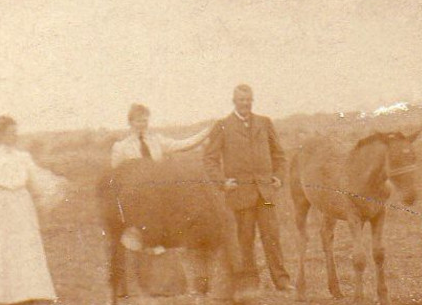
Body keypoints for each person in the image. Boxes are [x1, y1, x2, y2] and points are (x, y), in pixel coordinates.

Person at [203, 84, 291, 290]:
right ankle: (251, 281)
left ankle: (282, 280)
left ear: (253, 100)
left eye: (249, 100)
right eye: (241, 100)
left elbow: (279, 155)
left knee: (272, 236)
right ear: (234, 101)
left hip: (265, 192)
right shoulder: (222, 125)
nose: (245, 104)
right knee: (245, 239)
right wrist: (222, 182)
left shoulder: (264, 123)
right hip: (239, 194)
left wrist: (278, 176)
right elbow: (210, 159)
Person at [0, 115, 64, 305]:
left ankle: (30, 291)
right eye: (9, 133)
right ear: (0, 134)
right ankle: (2, 295)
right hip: (0, 203)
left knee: (25, 244)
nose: (13, 137)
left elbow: (35, 179)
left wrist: (55, 184)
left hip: (22, 204)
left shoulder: (23, 157)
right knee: (2, 246)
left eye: (15, 133)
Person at [109, 103, 210, 168]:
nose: (142, 124)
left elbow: (183, 144)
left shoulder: (156, 140)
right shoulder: (120, 147)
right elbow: (116, 177)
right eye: (138, 121)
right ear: (130, 122)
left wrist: (207, 131)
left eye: (144, 120)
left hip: (156, 192)